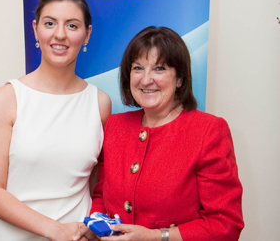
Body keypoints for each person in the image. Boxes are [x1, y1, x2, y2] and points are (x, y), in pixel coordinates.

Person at [73, 26, 244, 241]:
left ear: (179, 79)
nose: (146, 79)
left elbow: (226, 224)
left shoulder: (208, 130)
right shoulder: (116, 126)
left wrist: (156, 236)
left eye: (159, 68)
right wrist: (94, 226)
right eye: (137, 68)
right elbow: (101, 195)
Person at [0, 0, 111, 241]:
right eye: (50, 23)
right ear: (36, 29)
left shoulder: (99, 102)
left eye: (72, 25)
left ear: (86, 34)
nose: (60, 34)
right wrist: (54, 230)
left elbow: (97, 185)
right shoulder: (6, 98)